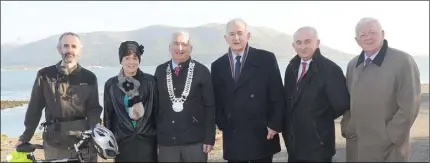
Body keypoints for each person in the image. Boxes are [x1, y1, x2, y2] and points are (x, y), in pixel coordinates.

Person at [340, 17, 421, 162]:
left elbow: (410, 106)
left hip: (388, 148)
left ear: (382, 34)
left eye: (372, 32)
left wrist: (392, 135)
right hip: (357, 144)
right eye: (362, 35)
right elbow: (347, 100)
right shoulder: (353, 65)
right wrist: (348, 126)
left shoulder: (403, 61)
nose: (367, 38)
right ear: (357, 40)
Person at [15, 32, 102, 161]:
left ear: (79, 51)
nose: (69, 50)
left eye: (73, 46)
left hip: (84, 143)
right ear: (59, 49)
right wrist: (25, 137)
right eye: (66, 46)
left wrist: (95, 135)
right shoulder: (44, 75)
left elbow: (93, 110)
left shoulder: (89, 77)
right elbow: (35, 107)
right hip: (54, 143)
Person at [210, 18, 285, 162]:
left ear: (248, 36)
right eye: (232, 34)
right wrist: (222, 123)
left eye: (240, 33)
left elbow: (277, 95)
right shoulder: (218, 66)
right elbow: (217, 100)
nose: (236, 38)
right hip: (233, 134)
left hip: (262, 133)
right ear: (226, 38)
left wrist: (274, 124)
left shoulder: (266, 59)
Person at [282, 26, 350, 162]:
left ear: (317, 43)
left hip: (318, 145)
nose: (303, 47)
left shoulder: (330, 69)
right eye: (299, 42)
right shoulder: (291, 68)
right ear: (293, 45)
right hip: (294, 144)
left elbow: (342, 104)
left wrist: (317, 119)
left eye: (307, 42)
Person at [154, 31, 216, 162]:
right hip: (167, 142)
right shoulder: (160, 71)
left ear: (191, 48)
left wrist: (209, 138)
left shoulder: (202, 71)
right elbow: (155, 106)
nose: (180, 48)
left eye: (184, 44)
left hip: (195, 141)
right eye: (176, 44)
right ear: (169, 47)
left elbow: (210, 106)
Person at [103, 41, 158, 162]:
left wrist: (157, 137)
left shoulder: (150, 81)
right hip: (122, 142)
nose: (131, 62)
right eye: (127, 58)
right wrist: (110, 142)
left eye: (135, 58)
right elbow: (108, 116)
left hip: (147, 142)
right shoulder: (111, 85)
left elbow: (157, 112)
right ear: (121, 60)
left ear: (139, 60)